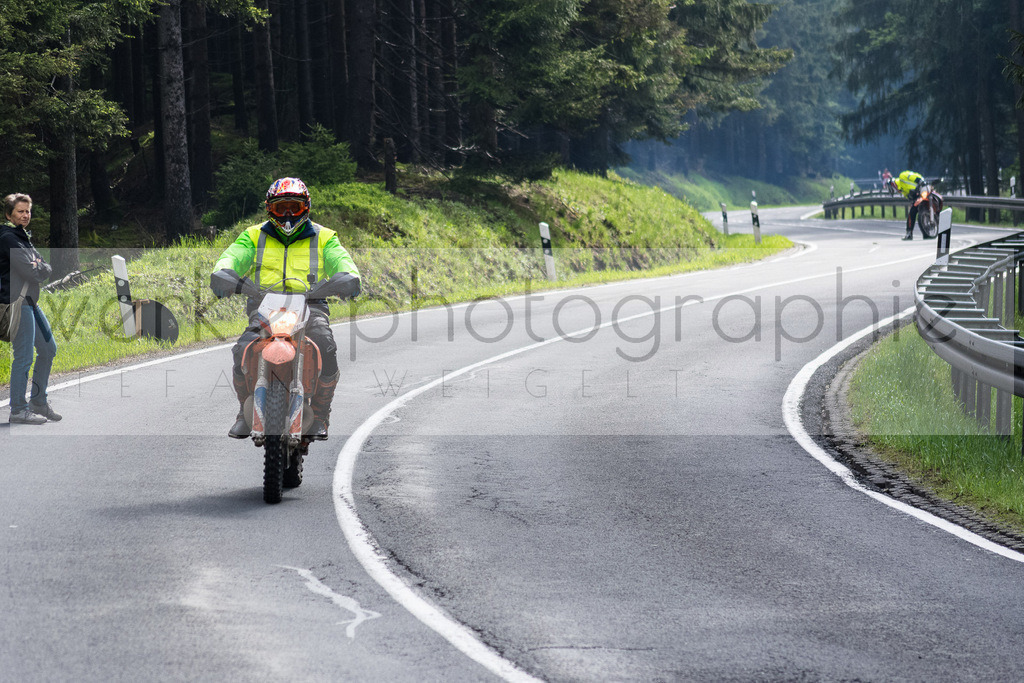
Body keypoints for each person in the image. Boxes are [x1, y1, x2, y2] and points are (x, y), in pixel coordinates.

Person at [210, 177, 360, 440]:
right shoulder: (253, 235)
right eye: (282, 208)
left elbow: (343, 263)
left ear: (306, 207)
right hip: (264, 304)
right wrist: (224, 274)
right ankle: (244, 411)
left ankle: (321, 415)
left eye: (294, 206)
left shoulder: (325, 237)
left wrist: (347, 278)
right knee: (240, 351)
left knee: (326, 346)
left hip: (311, 303)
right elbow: (231, 256)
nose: (288, 214)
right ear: (270, 209)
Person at [0, 193, 60, 424]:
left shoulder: (21, 237)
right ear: (9, 214)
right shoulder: (8, 237)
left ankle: (38, 402)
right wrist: (37, 265)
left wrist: (38, 265)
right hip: (17, 303)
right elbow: (31, 270)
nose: (25, 215)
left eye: (28, 211)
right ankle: (18, 409)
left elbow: (44, 266)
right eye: (20, 212)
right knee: (23, 357)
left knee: (48, 349)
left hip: (31, 303)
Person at [892, 169, 927, 240]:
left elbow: (911, 176)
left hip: (922, 186)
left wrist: (920, 181)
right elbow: (911, 198)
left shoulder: (902, 176)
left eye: (894, 189)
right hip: (918, 195)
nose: (896, 191)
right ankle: (909, 233)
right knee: (912, 212)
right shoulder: (903, 191)